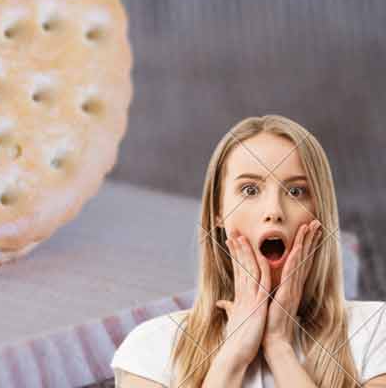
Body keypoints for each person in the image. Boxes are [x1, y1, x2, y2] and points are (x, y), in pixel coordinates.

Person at [111, 115, 386, 387]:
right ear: (217, 212)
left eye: (296, 192)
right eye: (250, 189)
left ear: (320, 212)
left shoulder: (376, 330)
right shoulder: (152, 348)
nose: (274, 212)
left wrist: (280, 348)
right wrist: (233, 356)